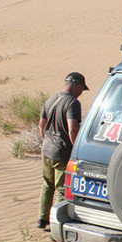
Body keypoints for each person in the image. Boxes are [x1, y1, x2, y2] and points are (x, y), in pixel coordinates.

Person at [36, 72, 89, 229]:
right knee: (61, 189)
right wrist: (76, 149)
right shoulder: (72, 103)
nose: (81, 93)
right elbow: (73, 129)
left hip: (46, 150)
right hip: (61, 152)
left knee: (47, 185)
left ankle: (42, 219)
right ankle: (56, 225)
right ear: (76, 85)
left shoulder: (51, 98)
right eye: (81, 89)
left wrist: (46, 140)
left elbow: (41, 124)